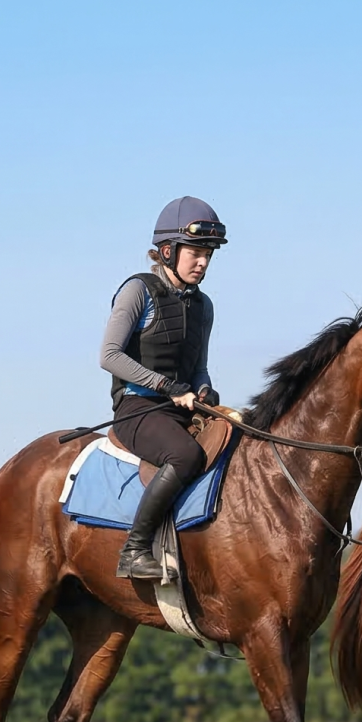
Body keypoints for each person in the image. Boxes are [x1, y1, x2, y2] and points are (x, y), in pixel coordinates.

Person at [97, 196, 227, 579]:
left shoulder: (204, 306)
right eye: (196, 253)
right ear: (168, 251)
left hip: (183, 407)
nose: (203, 263)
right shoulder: (138, 291)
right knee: (185, 456)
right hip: (138, 409)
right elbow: (108, 356)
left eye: (209, 255)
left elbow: (199, 368)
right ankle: (134, 550)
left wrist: (205, 392)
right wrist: (167, 386)